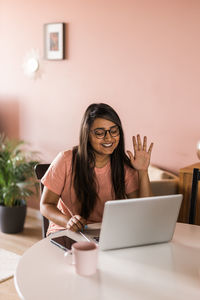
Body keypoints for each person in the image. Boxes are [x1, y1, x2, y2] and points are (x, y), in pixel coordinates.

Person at [40, 103, 153, 235]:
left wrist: (143, 171)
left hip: (105, 232)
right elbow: (46, 205)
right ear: (87, 134)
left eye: (114, 131)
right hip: (66, 230)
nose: (109, 138)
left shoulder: (123, 166)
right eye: (100, 133)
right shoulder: (66, 160)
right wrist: (68, 221)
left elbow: (145, 211)